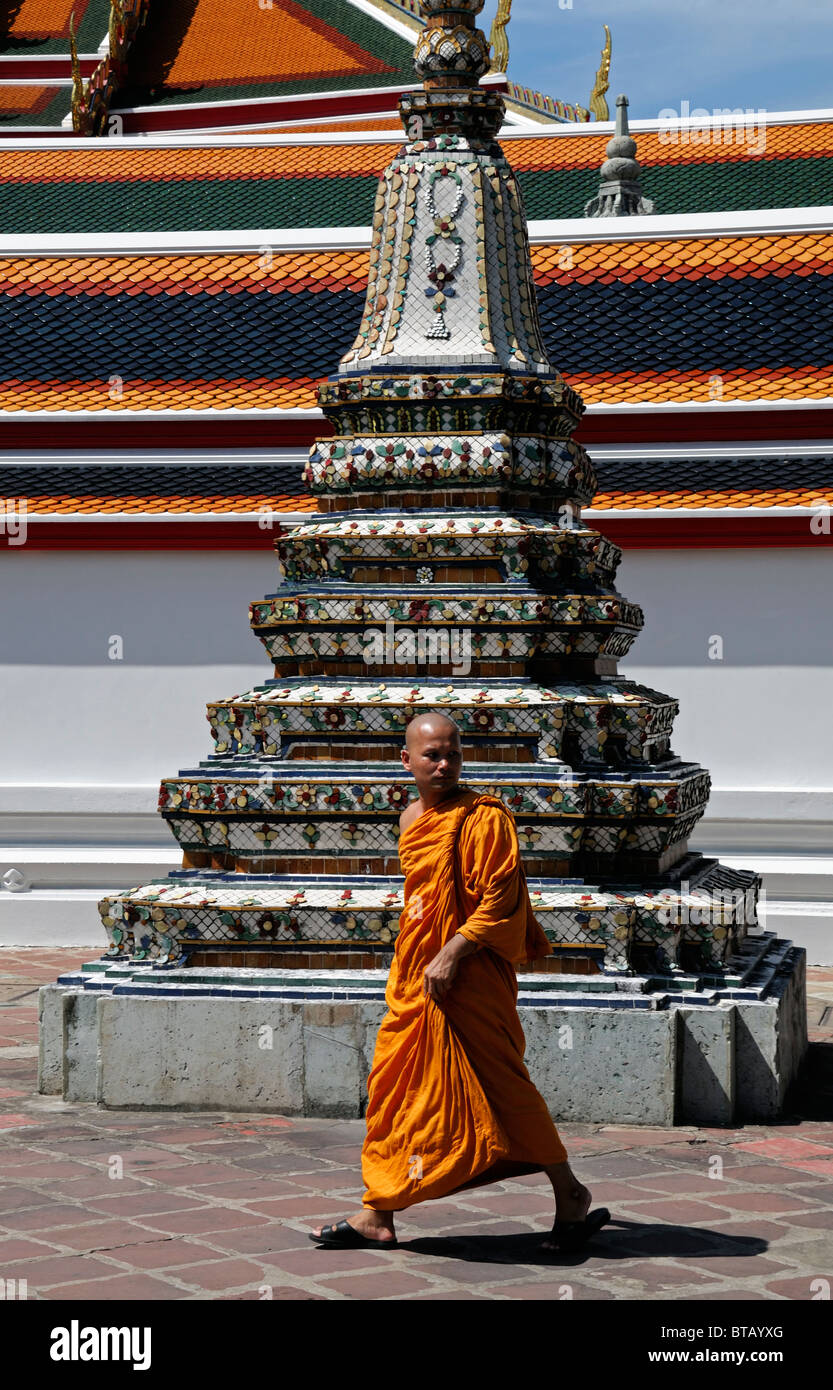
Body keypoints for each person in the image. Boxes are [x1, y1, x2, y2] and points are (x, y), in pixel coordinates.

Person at [310, 711, 609, 1254]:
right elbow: (421, 902)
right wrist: (420, 958)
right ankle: (379, 1212)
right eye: (432, 755)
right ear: (408, 761)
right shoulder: (409, 821)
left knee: (502, 1085)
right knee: (396, 1089)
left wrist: (452, 953)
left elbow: (501, 901)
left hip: (469, 974)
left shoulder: (485, 817)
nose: (444, 763)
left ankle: (570, 1194)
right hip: (417, 978)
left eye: (453, 753)